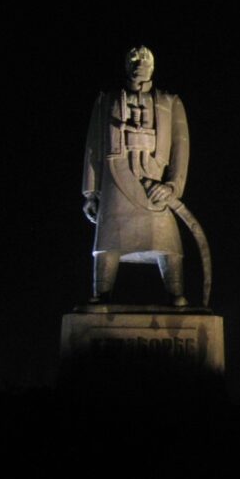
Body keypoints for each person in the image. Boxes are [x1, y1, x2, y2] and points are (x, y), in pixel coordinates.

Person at [82, 46, 190, 306]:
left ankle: (175, 293)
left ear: (153, 67)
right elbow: (93, 148)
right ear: (125, 66)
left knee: (167, 243)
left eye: (145, 59)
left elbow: (181, 147)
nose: (139, 63)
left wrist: (173, 186)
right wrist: (90, 193)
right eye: (133, 58)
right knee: (108, 242)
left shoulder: (169, 102)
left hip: (153, 183)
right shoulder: (105, 101)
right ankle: (101, 294)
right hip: (115, 182)